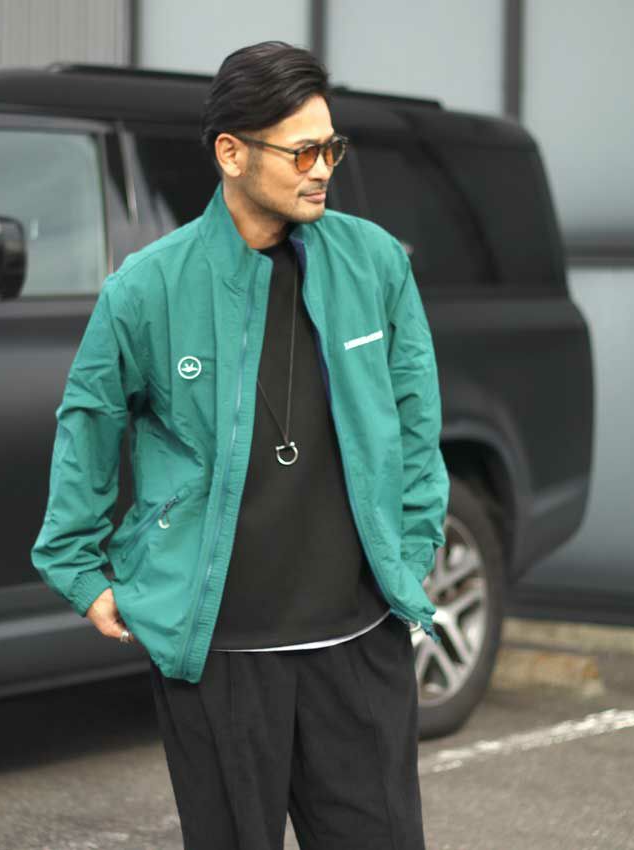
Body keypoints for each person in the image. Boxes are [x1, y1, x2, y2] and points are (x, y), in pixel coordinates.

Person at [31, 40, 449, 850]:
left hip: (358, 643)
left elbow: (417, 419)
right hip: (219, 653)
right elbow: (89, 419)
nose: (322, 170)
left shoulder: (374, 263)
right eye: (302, 152)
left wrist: (413, 547)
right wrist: (79, 569)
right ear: (231, 153)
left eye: (331, 149)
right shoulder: (149, 287)